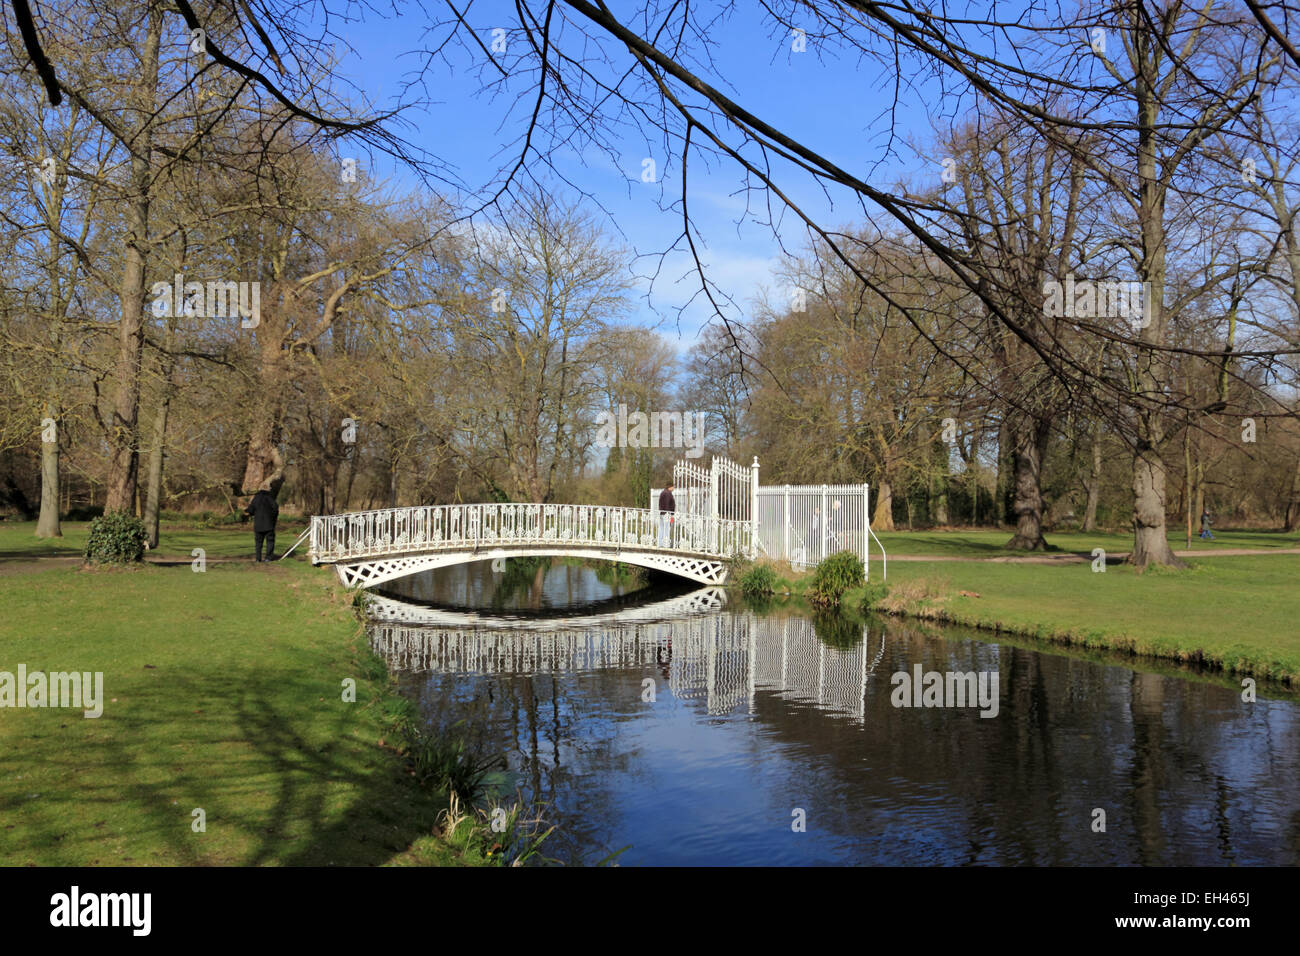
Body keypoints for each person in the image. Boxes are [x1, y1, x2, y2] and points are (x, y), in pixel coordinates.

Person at [244, 486, 280, 561]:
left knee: (258, 543)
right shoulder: (270, 498)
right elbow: (275, 508)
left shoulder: (256, 498)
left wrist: (246, 511)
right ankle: (268, 558)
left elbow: (250, 510)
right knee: (270, 541)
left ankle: (258, 558)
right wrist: (273, 517)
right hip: (269, 524)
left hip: (258, 525)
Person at [658, 482, 675, 547]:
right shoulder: (668, 493)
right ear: (670, 487)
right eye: (673, 487)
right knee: (667, 529)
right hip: (667, 514)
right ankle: (666, 544)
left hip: (662, 513)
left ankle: (660, 543)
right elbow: (667, 504)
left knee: (661, 528)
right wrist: (670, 515)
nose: (673, 488)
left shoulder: (663, 492)